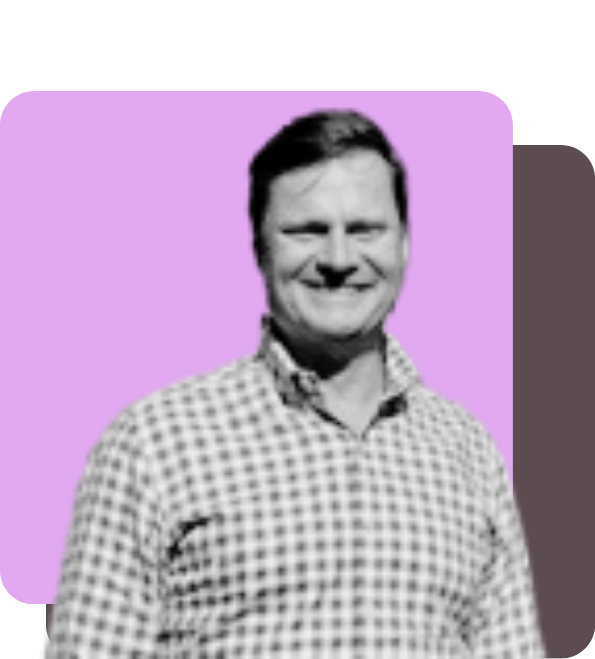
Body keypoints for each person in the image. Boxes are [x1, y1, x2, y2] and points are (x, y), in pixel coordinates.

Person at [47, 110, 545, 658]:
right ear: (261, 249)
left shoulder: (467, 448)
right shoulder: (154, 444)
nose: (338, 258)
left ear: (404, 244)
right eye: (307, 231)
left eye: (365, 229)